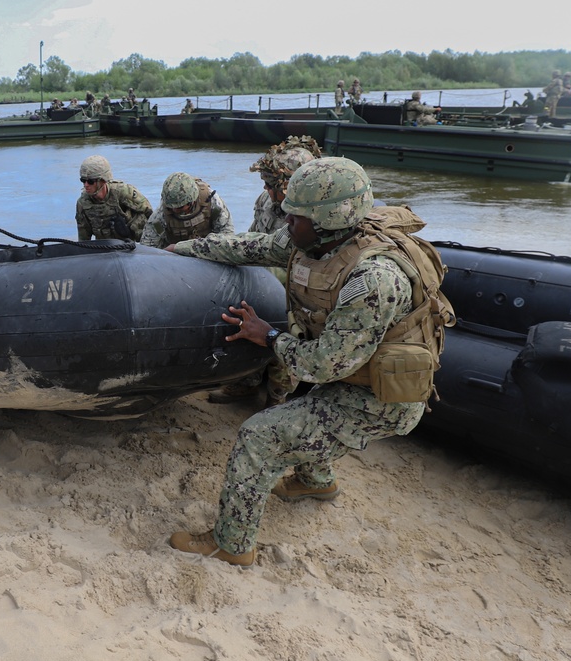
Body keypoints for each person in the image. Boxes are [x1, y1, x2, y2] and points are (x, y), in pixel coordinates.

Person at [167, 157, 445, 566]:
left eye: (293, 217)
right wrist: (182, 249)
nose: (285, 221)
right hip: (353, 371)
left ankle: (232, 545)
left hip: (384, 400)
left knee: (259, 437)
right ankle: (315, 481)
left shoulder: (373, 280)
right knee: (311, 412)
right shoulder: (313, 238)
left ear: (327, 222)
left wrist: (268, 335)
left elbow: (320, 366)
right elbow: (253, 247)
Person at [207, 137, 317, 408]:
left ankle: (277, 397)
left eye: (271, 185)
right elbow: (254, 241)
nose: (266, 190)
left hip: (298, 291)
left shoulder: (317, 216)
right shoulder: (265, 202)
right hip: (266, 279)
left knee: (289, 340)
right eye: (265, 184)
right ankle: (246, 383)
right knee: (246, 325)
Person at [140, 172, 234, 249]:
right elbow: (148, 245)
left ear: (192, 201)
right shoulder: (161, 214)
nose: (174, 210)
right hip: (175, 257)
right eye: (170, 207)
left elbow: (227, 234)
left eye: (179, 207)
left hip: (207, 251)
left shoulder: (212, 201)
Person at [75, 155, 153, 241]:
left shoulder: (122, 192)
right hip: (107, 247)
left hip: (134, 243)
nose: (86, 185)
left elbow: (149, 213)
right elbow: (83, 238)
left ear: (103, 181)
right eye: (83, 180)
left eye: (90, 181)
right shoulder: (83, 203)